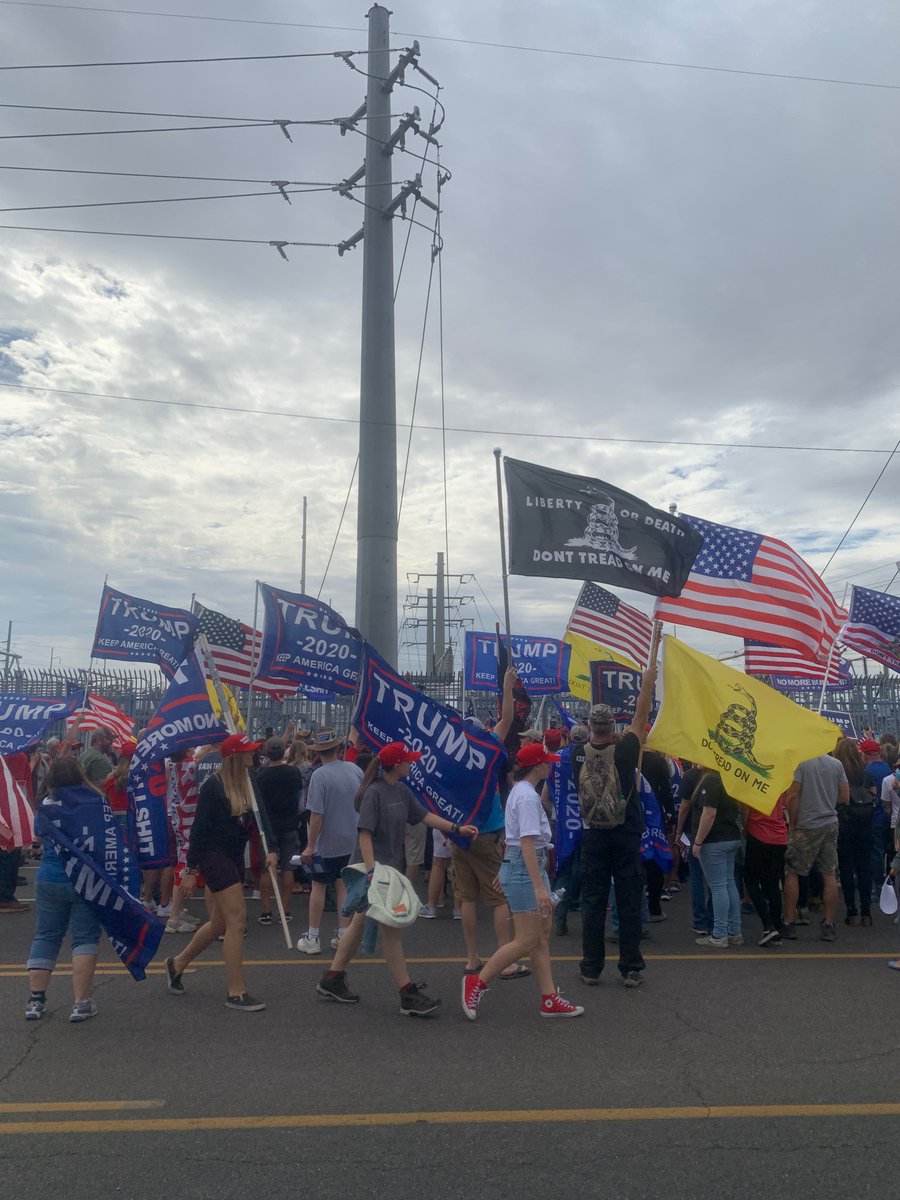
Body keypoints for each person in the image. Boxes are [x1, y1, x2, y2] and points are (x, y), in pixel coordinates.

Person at [315, 741, 478, 1016]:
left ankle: (332, 978)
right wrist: (371, 872)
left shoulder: (401, 790)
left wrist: (456, 828)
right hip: (376, 872)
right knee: (392, 930)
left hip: (386, 870)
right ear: (398, 764)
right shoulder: (374, 793)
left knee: (359, 923)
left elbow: (424, 816)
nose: (411, 763)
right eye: (408, 760)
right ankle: (407, 994)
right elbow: (364, 833)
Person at [462, 742, 585, 1020]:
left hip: (521, 867)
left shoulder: (519, 791)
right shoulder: (528, 797)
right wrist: (539, 887)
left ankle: (549, 998)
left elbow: (515, 838)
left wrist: (506, 869)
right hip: (526, 869)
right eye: (548, 761)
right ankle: (477, 982)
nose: (551, 765)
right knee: (528, 939)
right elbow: (527, 843)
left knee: (540, 937)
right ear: (538, 765)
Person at [164, 733, 277, 1012]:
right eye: (248, 751)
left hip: (234, 856)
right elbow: (199, 831)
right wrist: (190, 870)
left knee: (220, 924)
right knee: (237, 920)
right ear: (235, 756)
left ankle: (177, 964)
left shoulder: (249, 781)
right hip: (213, 856)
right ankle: (235, 991)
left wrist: (271, 848)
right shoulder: (213, 787)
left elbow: (262, 818)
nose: (254, 754)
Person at [577, 666, 657, 988]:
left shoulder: (575, 756)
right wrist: (647, 683)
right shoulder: (625, 751)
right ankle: (631, 967)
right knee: (627, 898)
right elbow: (641, 716)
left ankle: (591, 967)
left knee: (593, 900)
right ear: (612, 726)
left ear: (588, 726)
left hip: (593, 833)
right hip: (625, 832)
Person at [452, 668, 530, 980]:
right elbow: (508, 718)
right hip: (485, 832)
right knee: (498, 898)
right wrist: (508, 687)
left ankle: (472, 958)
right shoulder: (487, 749)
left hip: (459, 834)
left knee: (467, 898)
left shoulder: (451, 760)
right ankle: (504, 958)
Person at [24, 758, 103, 1022]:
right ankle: (80, 1003)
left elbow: (39, 839)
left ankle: (36, 1001)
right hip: (83, 879)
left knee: (46, 935)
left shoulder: (45, 806)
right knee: (83, 939)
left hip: (49, 876)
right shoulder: (95, 803)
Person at [297, 730, 363, 953]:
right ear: (338, 749)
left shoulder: (319, 775)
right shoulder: (354, 769)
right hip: (350, 839)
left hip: (326, 843)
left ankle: (313, 937)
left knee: (318, 886)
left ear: (318, 752)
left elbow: (317, 814)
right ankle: (343, 933)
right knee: (343, 884)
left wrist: (310, 845)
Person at [782, 751, 849, 942]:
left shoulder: (801, 763)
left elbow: (793, 795)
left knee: (792, 871)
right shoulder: (836, 764)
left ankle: (789, 921)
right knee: (829, 873)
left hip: (806, 825)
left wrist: (793, 824)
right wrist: (826, 801)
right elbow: (845, 796)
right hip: (829, 823)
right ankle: (828, 924)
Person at [255, 736, 304, 926]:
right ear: (284, 751)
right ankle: (284, 910)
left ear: (267, 753)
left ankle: (266, 911)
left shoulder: (261, 776)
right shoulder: (294, 773)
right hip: (290, 824)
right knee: (289, 867)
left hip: (268, 827)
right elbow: (301, 801)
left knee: (267, 868)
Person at [691, 770, 743, 948]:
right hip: (731, 836)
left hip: (715, 840)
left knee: (718, 886)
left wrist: (697, 842)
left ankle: (720, 934)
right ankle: (734, 931)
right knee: (729, 883)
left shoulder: (711, 780)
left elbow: (709, 814)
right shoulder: (730, 777)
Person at [834, 738, 875, 927]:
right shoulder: (865, 774)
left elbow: (837, 798)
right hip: (865, 824)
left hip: (845, 823)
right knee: (864, 867)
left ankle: (851, 911)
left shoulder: (839, 772)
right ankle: (867, 911)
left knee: (846, 868)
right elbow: (874, 797)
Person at [741, 791, 789, 946]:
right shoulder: (780, 783)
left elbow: (745, 811)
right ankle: (776, 926)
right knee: (772, 883)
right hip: (779, 836)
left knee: (751, 880)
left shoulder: (753, 783)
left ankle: (768, 925)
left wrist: (745, 828)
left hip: (758, 834)